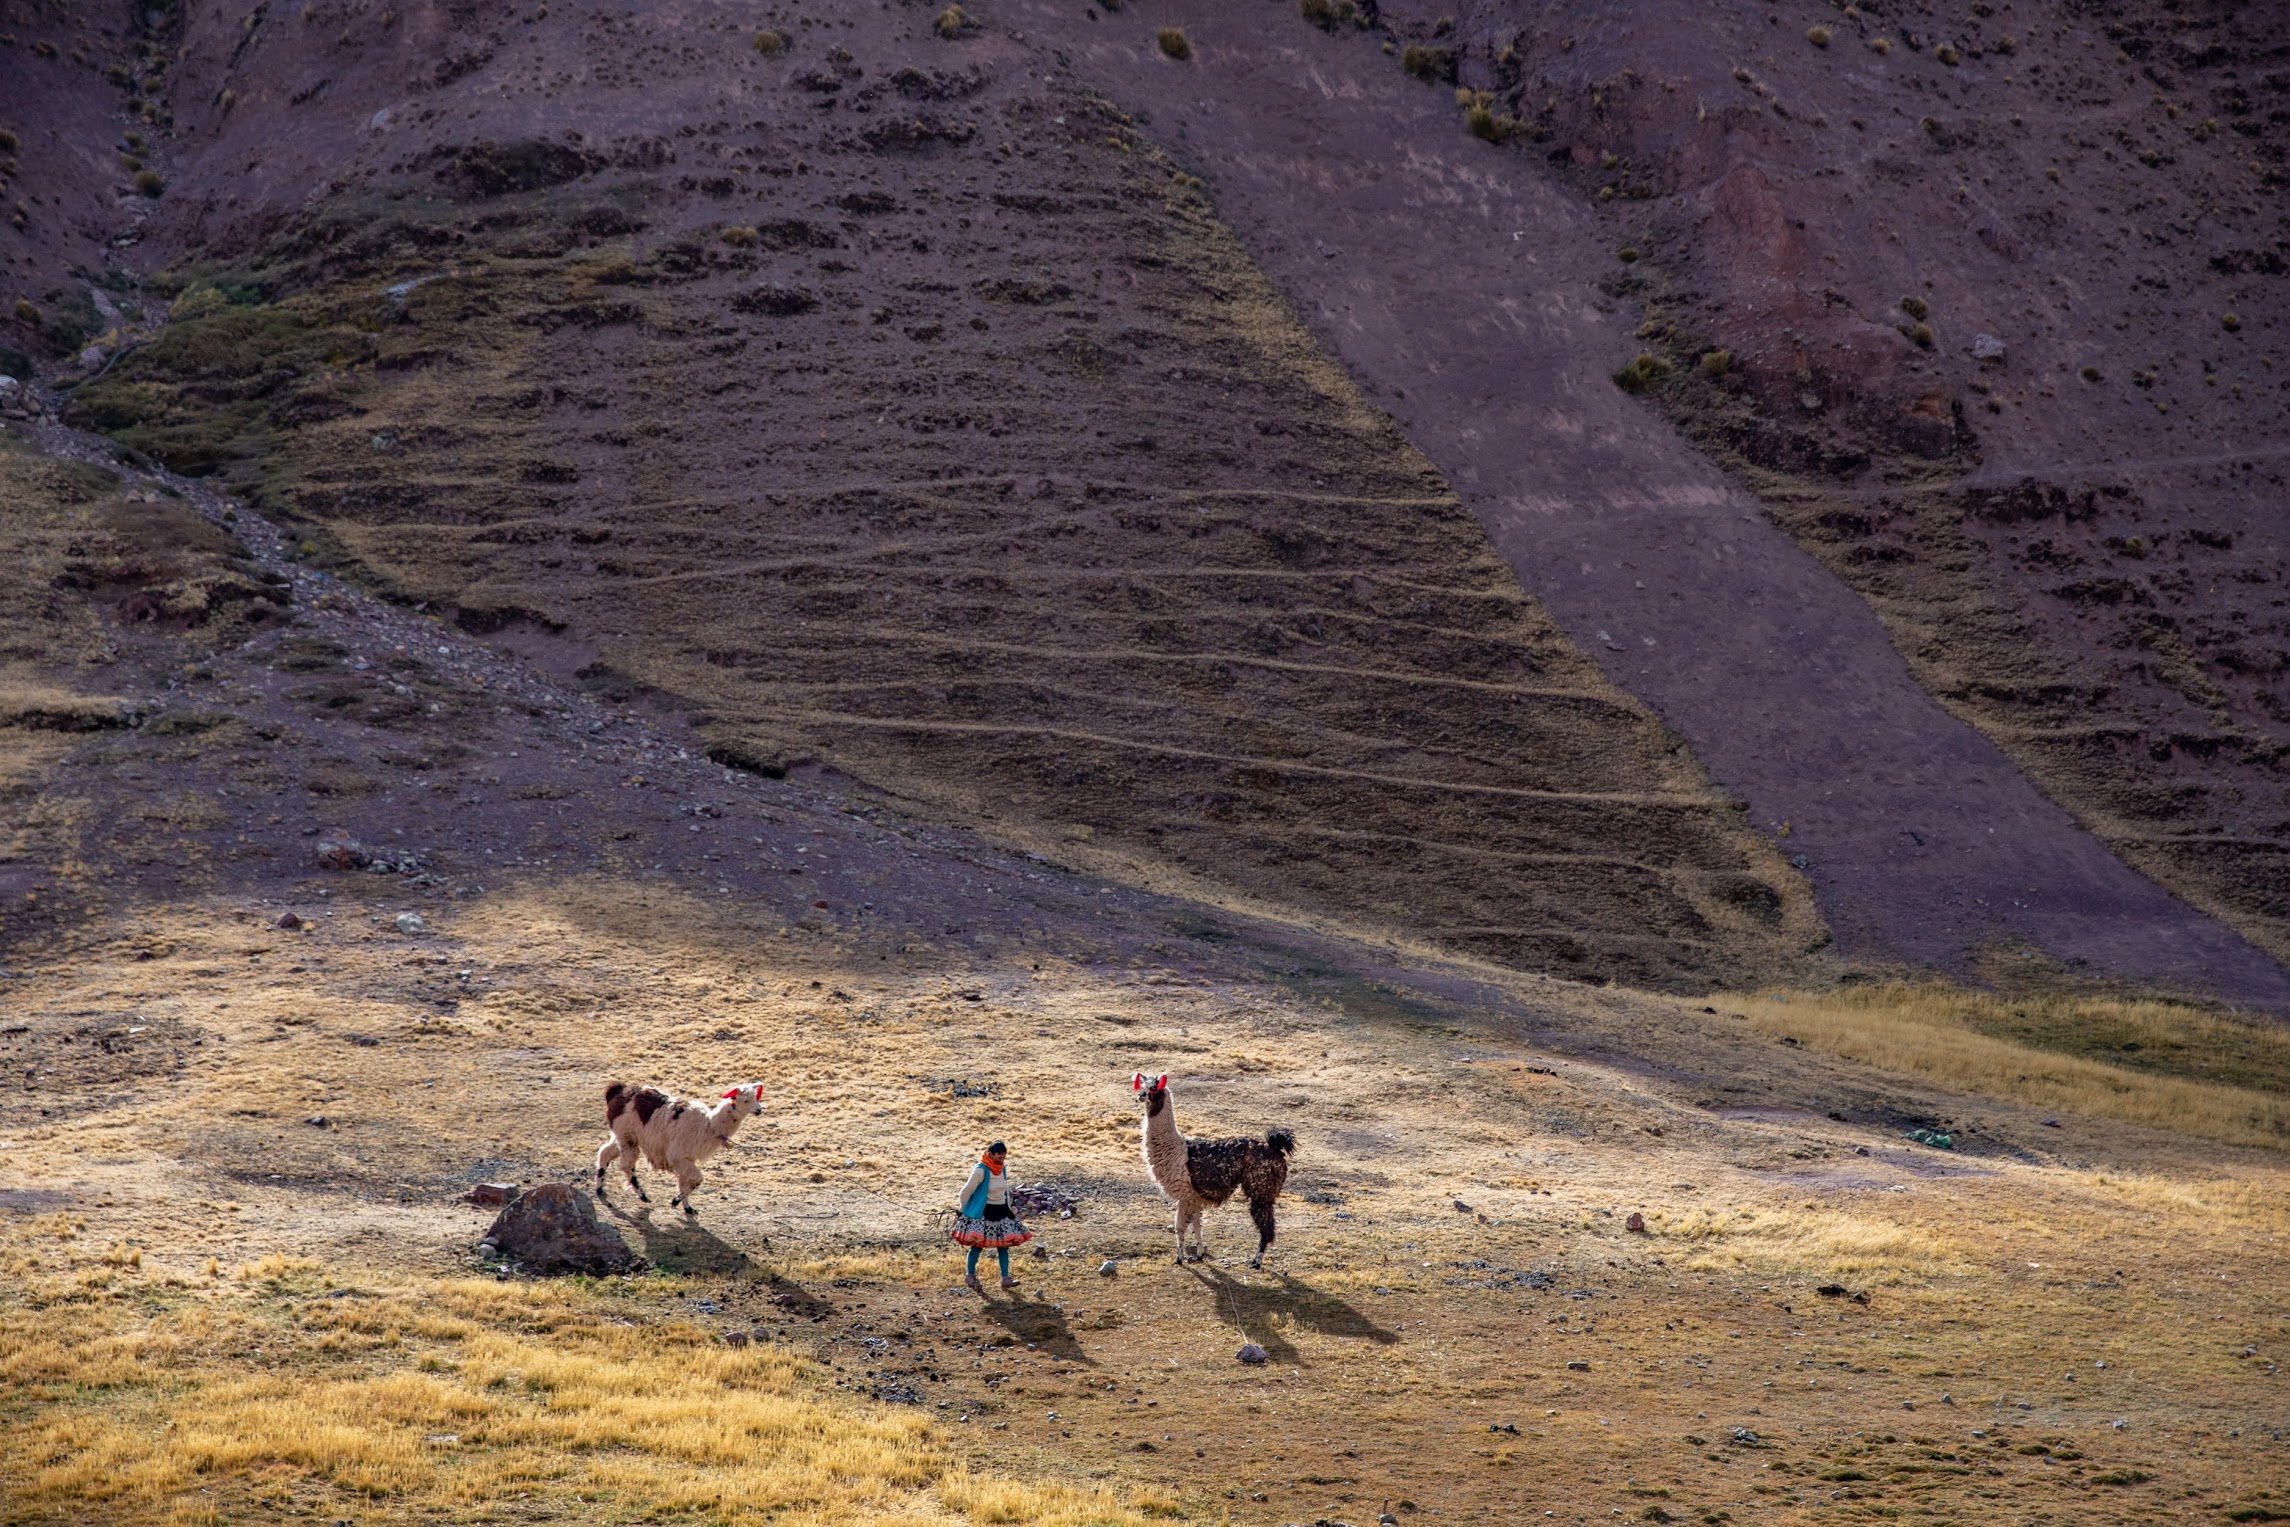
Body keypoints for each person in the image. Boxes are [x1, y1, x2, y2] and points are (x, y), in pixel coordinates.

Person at [950, 1140, 1031, 1293]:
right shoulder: (980, 1170)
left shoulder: (1002, 1169)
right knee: (977, 1245)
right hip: (983, 1213)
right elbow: (966, 1191)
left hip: (1001, 1211)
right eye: (999, 1157)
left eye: (1004, 1157)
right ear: (990, 1154)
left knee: (1004, 1246)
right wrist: (963, 1209)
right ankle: (970, 1276)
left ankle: (1005, 1278)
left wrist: (1009, 1208)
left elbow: (1005, 1191)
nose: (1002, 1160)